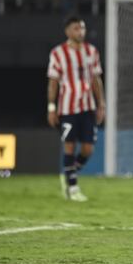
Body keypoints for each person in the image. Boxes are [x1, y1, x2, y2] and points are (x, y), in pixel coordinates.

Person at [47, 16, 106, 202]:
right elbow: (53, 82)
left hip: (87, 106)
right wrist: (51, 107)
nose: (80, 32)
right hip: (67, 108)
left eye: (82, 28)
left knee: (88, 149)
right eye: (76, 28)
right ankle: (73, 188)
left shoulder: (92, 51)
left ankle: (69, 174)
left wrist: (101, 103)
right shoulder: (58, 53)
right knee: (70, 146)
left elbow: (96, 79)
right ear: (67, 31)